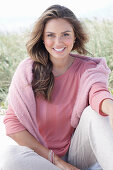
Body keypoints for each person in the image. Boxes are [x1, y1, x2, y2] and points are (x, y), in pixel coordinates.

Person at [0, 4, 113, 170]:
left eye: (65, 34)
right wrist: (58, 162)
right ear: (43, 39)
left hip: (78, 153)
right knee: (9, 158)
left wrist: (111, 108)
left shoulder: (88, 68)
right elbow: (12, 124)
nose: (58, 42)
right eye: (51, 35)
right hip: (42, 156)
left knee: (95, 113)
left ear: (75, 37)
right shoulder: (28, 72)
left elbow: (98, 92)